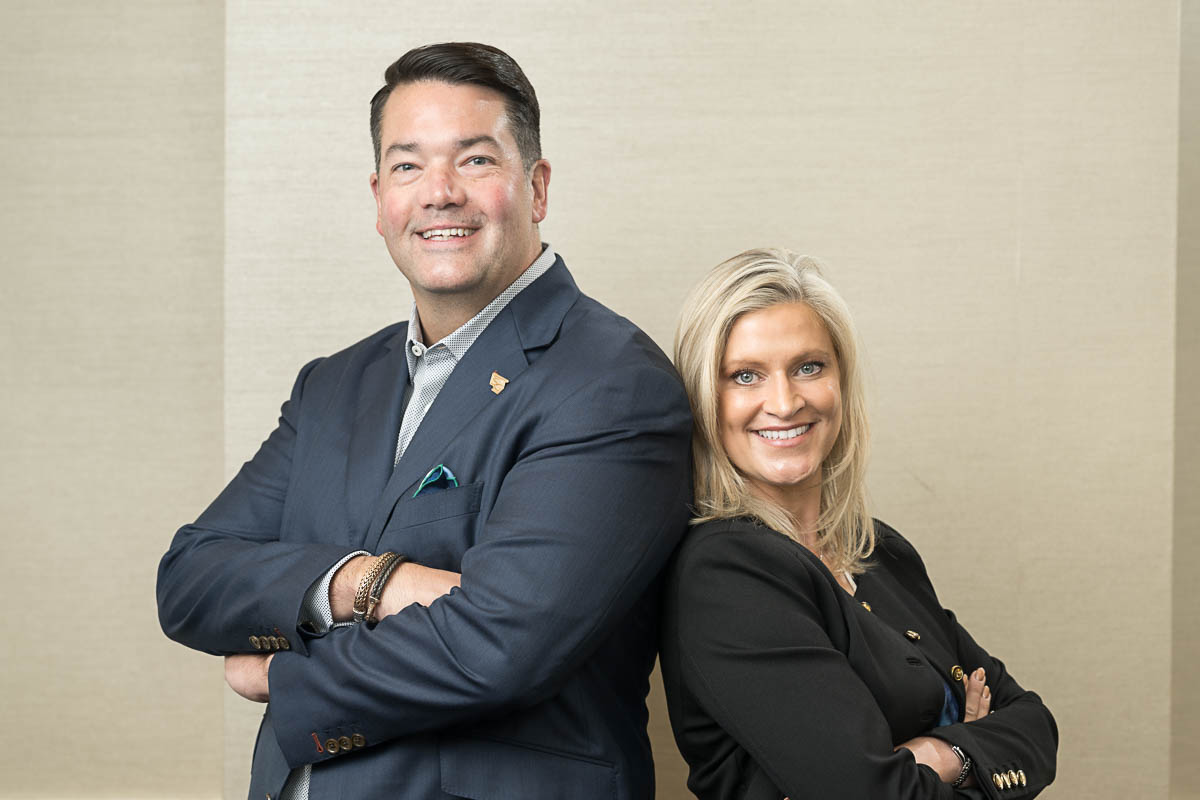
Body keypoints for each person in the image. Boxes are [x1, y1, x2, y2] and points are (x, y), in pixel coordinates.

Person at [157, 42, 692, 800]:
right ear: (380, 199)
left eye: (475, 160)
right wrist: (369, 582)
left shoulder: (611, 382)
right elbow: (191, 578)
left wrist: (282, 674)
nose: (439, 193)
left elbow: (501, 645)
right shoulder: (333, 385)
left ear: (537, 187)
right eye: (408, 166)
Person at [660, 248, 1057, 799]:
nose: (784, 403)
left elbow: (1034, 726)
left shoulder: (879, 549)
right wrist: (973, 746)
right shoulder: (726, 573)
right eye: (745, 376)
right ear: (706, 400)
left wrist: (940, 753)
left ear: (841, 380)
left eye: (808, 367)